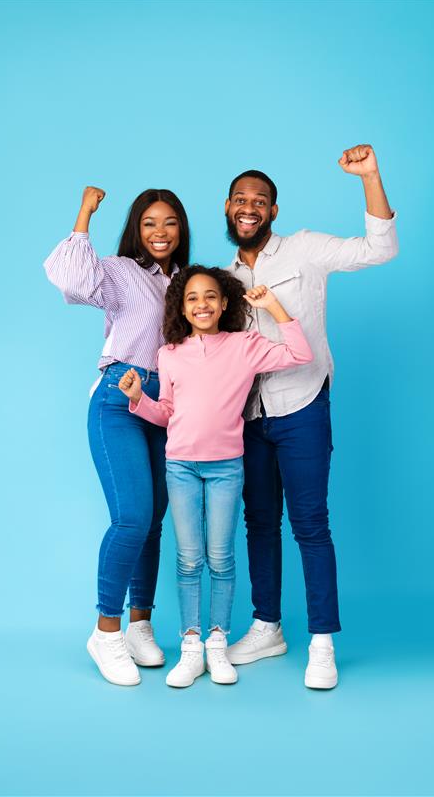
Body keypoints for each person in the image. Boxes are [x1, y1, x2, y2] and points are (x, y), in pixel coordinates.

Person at [224, 144, 399, 688]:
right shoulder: (223, 277)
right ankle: (266, 626)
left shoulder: (305, 250)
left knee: (310, 524)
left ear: (273, 211)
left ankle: (322, 641)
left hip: (302, 402)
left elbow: (380, 248)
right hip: (248, 416)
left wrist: (369, 176)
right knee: (258, 524)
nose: (248, 207)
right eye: (240, 199)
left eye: (260, 200)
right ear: (228, 207)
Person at [118, 266, 313, 687]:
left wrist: (274, 306)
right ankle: (191, 648)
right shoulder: (169, 353)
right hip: (181, 467)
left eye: (210, 296)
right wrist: (138, 399)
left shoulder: (245, 345)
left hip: (227, 467)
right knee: (189, 560)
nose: (201, 304)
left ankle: (217, 645)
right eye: (191, 298)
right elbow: (167, 414)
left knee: (221, 559)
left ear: (225, 302)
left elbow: (300, 354)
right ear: (182, 308)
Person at [44, 186, 190, 686]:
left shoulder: (186, 284)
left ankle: (139, 624)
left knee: (152, 522)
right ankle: (105, 632)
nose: (160, 233)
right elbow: (70, 279)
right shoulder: (122, 270)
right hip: (118, 397)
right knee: (131, 517)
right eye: (149, 223)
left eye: (169, 223)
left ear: (181, 229)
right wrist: (84, 211)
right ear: (136, 229)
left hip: (166, 409)